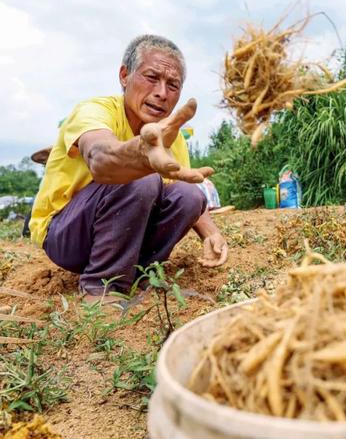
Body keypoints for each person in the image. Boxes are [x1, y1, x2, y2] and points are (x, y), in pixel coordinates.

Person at [29, 34, 228, 303]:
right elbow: (99, 157)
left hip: (122, 234)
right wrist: (140, 157)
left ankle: (140, 273)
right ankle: (101, 287)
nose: (161, 93)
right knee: (141, 178)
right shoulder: (95, 111)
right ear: (125, 75)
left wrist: (212, 234)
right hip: (66, 234)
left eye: (172, 85)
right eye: (151, 77)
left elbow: (181, 192)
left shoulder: (170, 134)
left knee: (190, 195)